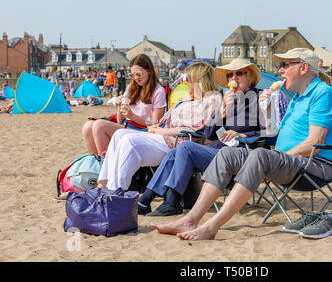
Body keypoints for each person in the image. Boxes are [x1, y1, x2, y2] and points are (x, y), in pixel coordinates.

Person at [149, 48, 332, 241]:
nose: (280, 70)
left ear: (303, 68)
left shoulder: (322, 94)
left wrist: (276, 157)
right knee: (226, 155)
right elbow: (272, 135)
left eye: (285, 65)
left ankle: (211, 227)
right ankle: (190, 219)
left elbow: (315, 143)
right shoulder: (297, 99)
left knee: (259, 154)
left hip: (314, 165)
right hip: (286, 161)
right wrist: (246, 112)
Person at [136, 58, 268, 216]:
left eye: (239, 73)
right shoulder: (227, 99)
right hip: (220, 152)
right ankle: (145, 200)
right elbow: (209, 134)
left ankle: (173, 202)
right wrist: (222, 112)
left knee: (185, 147)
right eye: (230, 75)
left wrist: (242, 134)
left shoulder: (259, 98)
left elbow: (268, 132)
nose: (234, 78)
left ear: (250, 77)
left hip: (242, 153)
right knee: (173, 153)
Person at [97, 61, 222, 191]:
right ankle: (103, 185)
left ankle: (116, 191)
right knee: (119, 135)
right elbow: (160, 121)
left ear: (198, 80)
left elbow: (191, 129)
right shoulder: (185, 99)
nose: (184, 82)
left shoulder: (211, 99)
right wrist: (154, 127)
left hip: (177, 142)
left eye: (187, 79)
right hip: (161, 136)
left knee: (129, 141)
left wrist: (159, 131)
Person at [82, 54, 166, 155]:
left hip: (144, 132)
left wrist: (133, 116)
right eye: (132, 75)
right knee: (87, 127)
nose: (135, 78)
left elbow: (155, 123)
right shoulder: (132, 87)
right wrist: (120, 107)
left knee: (99, 125)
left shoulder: (158, 91)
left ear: (148, 71)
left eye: (138, 74)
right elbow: (120, 120)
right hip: (126, 126)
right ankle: (97, 164)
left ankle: (106, 165)